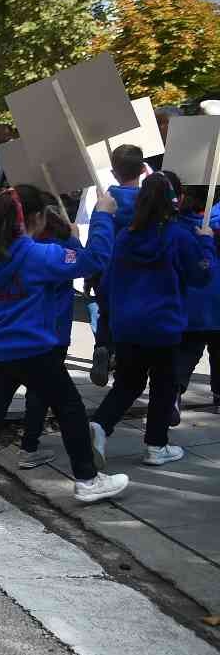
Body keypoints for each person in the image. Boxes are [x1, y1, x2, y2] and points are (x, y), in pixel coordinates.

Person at [0, 185, 126, 515]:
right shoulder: (39, 256)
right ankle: (86, 479)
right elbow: (93, 259)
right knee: (69, 408)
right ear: (37, 218)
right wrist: (103, 216)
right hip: (34, 352)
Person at [90, 171, 213, 468]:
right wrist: (206, 243)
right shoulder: (179, 236)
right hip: (163, 325)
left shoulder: (124, 237)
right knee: (163, 386)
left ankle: (100, 426)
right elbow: (201, 275)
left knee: (128, 384)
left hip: (127, 325)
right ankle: (156, 446)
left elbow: (108, 283)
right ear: (175, 200)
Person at [14, 197, 82, 468]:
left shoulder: (26, 248)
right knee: (58, 398)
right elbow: (88, 261)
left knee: (36, 392)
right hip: (54, 332)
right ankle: (31, 447)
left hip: (29, 329)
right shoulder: (59, 250)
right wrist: (75, 239)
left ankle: (30, 443)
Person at [89, 144, 146, 386]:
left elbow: (96, 236)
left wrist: (91, 274)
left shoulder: (105, 200)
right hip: (138, 272)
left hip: (107, 271)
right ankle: (124, 362)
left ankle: (102, 346)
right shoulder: (147, 201)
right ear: (143, 169)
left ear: (113, 172)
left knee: (106, 314)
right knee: (133, 321)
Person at [176, 182, 220, 406]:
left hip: (188, 298)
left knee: (187, 351)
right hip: (217, 298)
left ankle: (175, 391)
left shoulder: (175, 223)